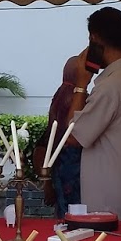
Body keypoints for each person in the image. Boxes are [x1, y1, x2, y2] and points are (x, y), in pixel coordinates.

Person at [66, 7, 121, 221]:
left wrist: (81, 84)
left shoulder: (110, 88)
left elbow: (72, 136)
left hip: (107, 204)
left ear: (94, 39)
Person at [39, 56, 83, 215]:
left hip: (58, 167)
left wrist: (47, 181)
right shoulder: (79, 98)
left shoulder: (58, 97)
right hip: (74, 168)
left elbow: (45, 141)